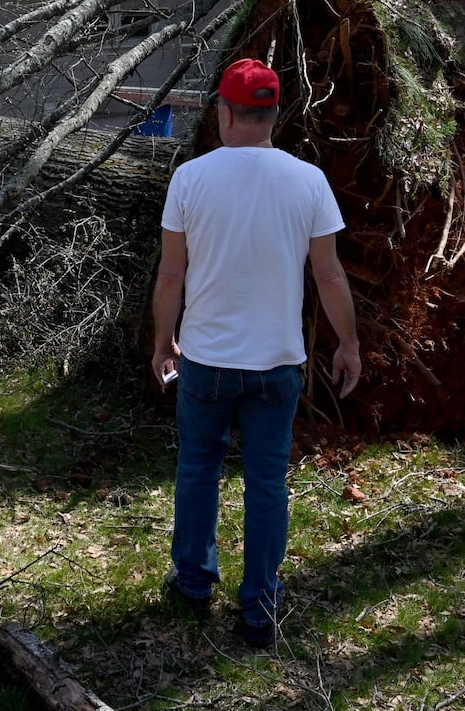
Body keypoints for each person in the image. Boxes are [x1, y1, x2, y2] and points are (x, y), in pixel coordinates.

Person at [150, 57, 361, 648]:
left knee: (198, 469)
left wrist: (163, 341)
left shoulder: (190, 178)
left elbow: (170, 276)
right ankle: (259, 608)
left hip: (207, 362)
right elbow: (330, 277)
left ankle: (193, 583)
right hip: (277, 364)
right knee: (267, 485)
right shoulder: (308, 181)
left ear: (224, 111)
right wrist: (349, 345)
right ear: (272, 114)